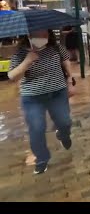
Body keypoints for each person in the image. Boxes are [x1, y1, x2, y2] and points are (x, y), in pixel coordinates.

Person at [8, 30, 75, 175]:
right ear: (28, 35)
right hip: (32, 98)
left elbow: (65, 62)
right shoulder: (20, 53)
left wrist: (70, 80)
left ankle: (63, 134)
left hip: (57, 92)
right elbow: (12, 76)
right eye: (37, 34)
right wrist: (27, 61)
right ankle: (41, 159)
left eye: (44, 34)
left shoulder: (56, 48)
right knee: (37, 128)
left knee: (64, 121)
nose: (41, 37)